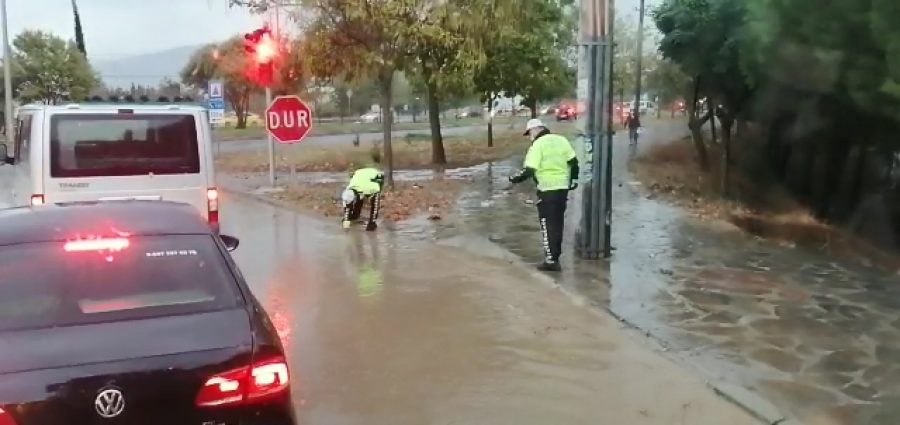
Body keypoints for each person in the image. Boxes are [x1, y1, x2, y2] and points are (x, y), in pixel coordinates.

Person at [508, 118, 579, 272]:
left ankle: (551, 260)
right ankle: (555, 257)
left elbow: (529, 170)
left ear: (535, 130)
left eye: (529, 134)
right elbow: (573, 162)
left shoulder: (537, 146)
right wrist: (573, 180)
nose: (529, 137)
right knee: (558, 223)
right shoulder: (561, 140)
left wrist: (513, 179)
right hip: (562, 189)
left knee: (547, 225)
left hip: (547, 190)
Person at [341, 165, 385, 231]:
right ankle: (355, 217)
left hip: (373, 184)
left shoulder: (372, 189)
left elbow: (380, 184)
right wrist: (346, 222)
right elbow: (347, 206)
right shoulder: (349, 191)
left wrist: (346, 226)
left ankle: (371, 223)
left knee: (374, 205)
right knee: (357, 200)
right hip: (360, 181)